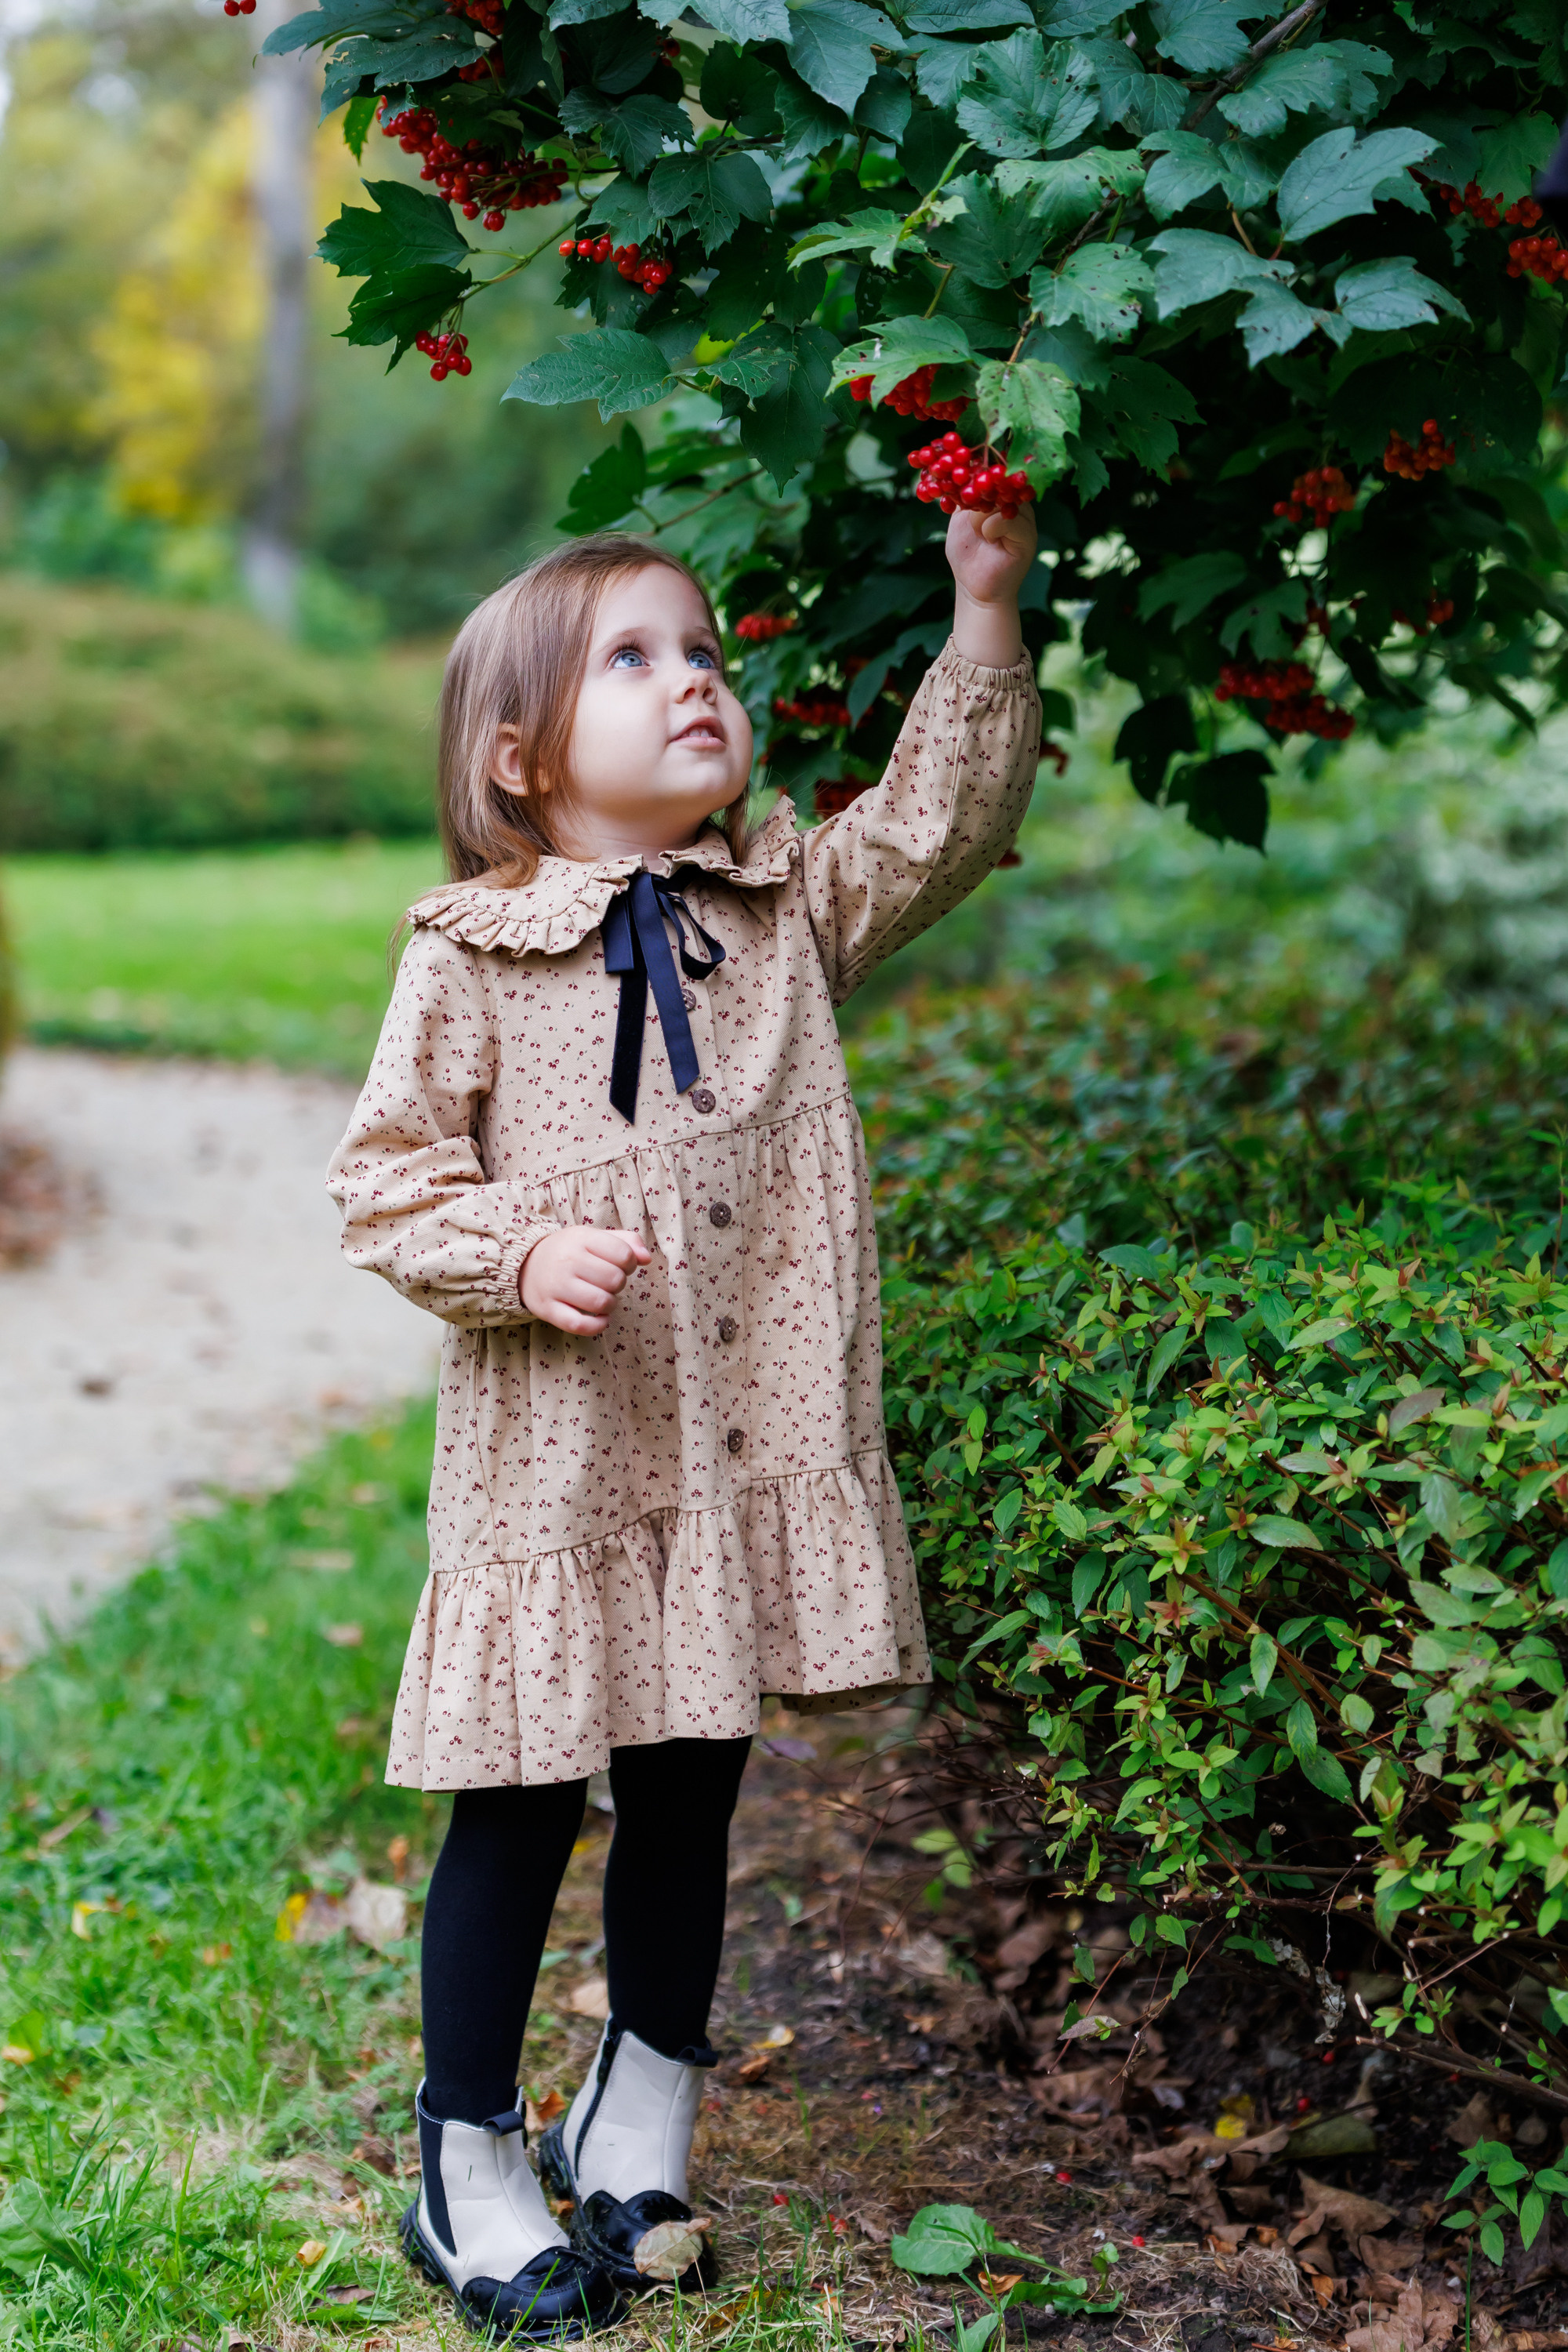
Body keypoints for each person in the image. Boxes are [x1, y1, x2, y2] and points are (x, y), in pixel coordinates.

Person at [327, 507, 1042, 2340]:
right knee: (515, 1799)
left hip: (734, 1441)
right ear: (521, 757)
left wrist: (983, 612)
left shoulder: (779, 909)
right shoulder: (471, 957)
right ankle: (467, 2151)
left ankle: (644, 2092)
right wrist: (517, 1246)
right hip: (561, 1463)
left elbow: (939, 827)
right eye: (632, 661)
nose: (694, 679)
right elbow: (385, 1183)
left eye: (702, 649)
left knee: (691, 1780)